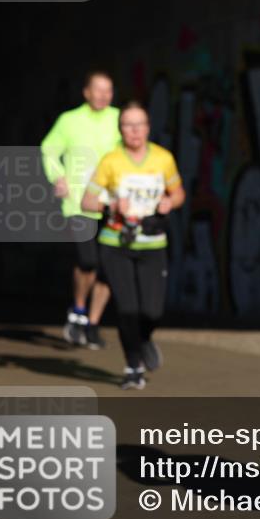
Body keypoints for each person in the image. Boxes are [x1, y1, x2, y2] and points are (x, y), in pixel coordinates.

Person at [81, 101, 185, 390]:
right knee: (128, 309)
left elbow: (179, 194)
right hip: (116, 244)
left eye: (140, 124)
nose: (135, 130)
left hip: (152, 244)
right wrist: (110, 204)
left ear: (148, 128)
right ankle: (132, 367)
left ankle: (145, 338)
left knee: (151, 312)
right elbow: (86, 201)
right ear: (120, 129)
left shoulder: (163, 158)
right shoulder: (110, 161)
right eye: (128, 124)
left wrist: (169, 202)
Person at [41, 71, 121, 349]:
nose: (103, 95)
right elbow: (48, 150)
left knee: (109, 268)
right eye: (98, 90)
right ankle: (78, 311)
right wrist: (58, 177)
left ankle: (93, 323)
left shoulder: (118, 119)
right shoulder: (69, 120)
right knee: (88, 260)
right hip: (78, 203)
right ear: (86, 92)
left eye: (108, 90)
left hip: (113, 204)